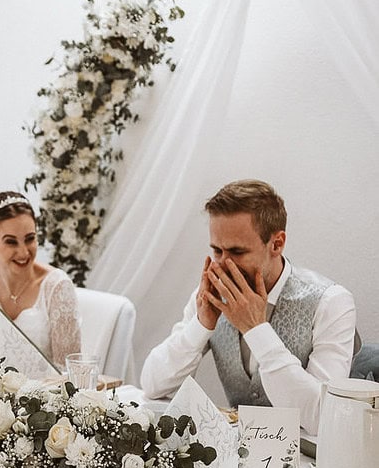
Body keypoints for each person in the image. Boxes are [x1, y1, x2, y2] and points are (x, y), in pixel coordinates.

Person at [141, 179, 356, 435]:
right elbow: (153, 385)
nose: (222, 264)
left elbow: (324, 417)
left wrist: (256, 329)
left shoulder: (331, 302)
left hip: (308, 463)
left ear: (276, 244)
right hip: (236, 457)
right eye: (217, 250)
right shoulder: (211, 293)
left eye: (237, 252)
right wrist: (201, 326)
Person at [0, 191, 81, 368]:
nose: (24, 252)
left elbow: (69, 371)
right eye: (11, 242)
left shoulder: (57, 286)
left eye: (30, 239)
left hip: (45, 392)